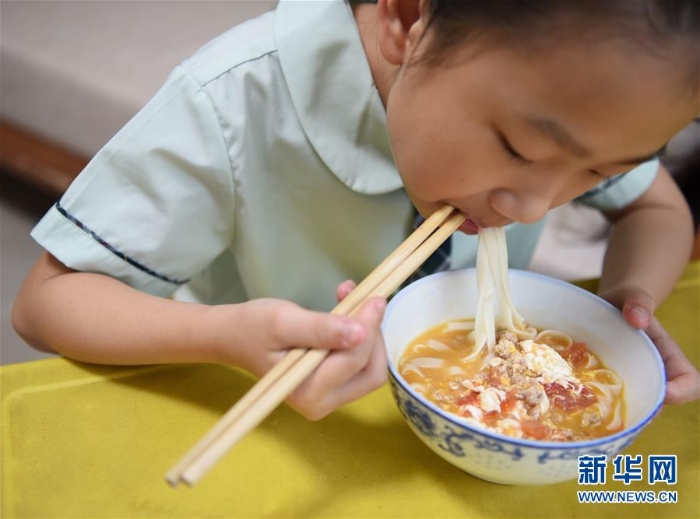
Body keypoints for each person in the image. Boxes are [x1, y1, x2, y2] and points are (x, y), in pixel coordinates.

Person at [12, 0, 700, 419]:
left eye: (598, 171)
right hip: (244, 396)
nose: (532, 208)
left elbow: (660, 212)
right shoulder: (233, 102)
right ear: (406, 16)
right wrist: (224, 336)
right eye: (518, 150)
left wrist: (626, 305)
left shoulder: (589, 110)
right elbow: (45, 301)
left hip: (456, 408)